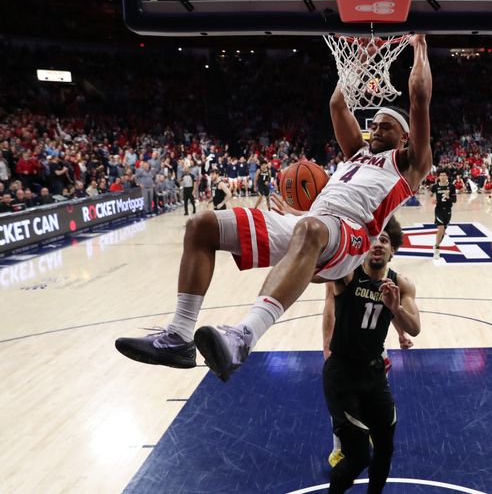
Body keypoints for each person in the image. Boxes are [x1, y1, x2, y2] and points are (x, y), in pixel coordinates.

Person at [115, 34, 431, 382]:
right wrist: (356, 61)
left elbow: (418, 97)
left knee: (310, 229)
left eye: (384, 126)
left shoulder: (410, 164)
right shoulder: (357, 151)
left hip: (355, 237)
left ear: (403, 137)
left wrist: (419, 49)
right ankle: (179, 336)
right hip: (315, 225)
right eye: (373, 124)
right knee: (201, 225)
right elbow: (338, 106)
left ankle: (243, 337)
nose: (374, 129)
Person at [321, 218, 418, 491]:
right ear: (363, 246)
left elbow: (415, 328)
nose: (378, 244)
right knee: (359, 455)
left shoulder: (401, 283)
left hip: (374, 373)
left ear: (393, 250)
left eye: (384, 240)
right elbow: (319, 273)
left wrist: (395, 308)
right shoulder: (348, 274)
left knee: (385, 447)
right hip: (342, 373)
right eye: (373, 239)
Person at [430, 171, 456, 260]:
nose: (443, 176)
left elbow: (454, 200)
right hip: (439, 210)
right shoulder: (435, 186)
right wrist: (432, 198)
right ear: (438, 177)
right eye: (441, 175)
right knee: (440, 228)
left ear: (447, 176)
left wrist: (449, 197)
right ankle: (437, 249)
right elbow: (430, 193)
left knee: (443, 231)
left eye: (444, 175)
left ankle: (436, 245)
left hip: (448, 210)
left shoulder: (452, 186)